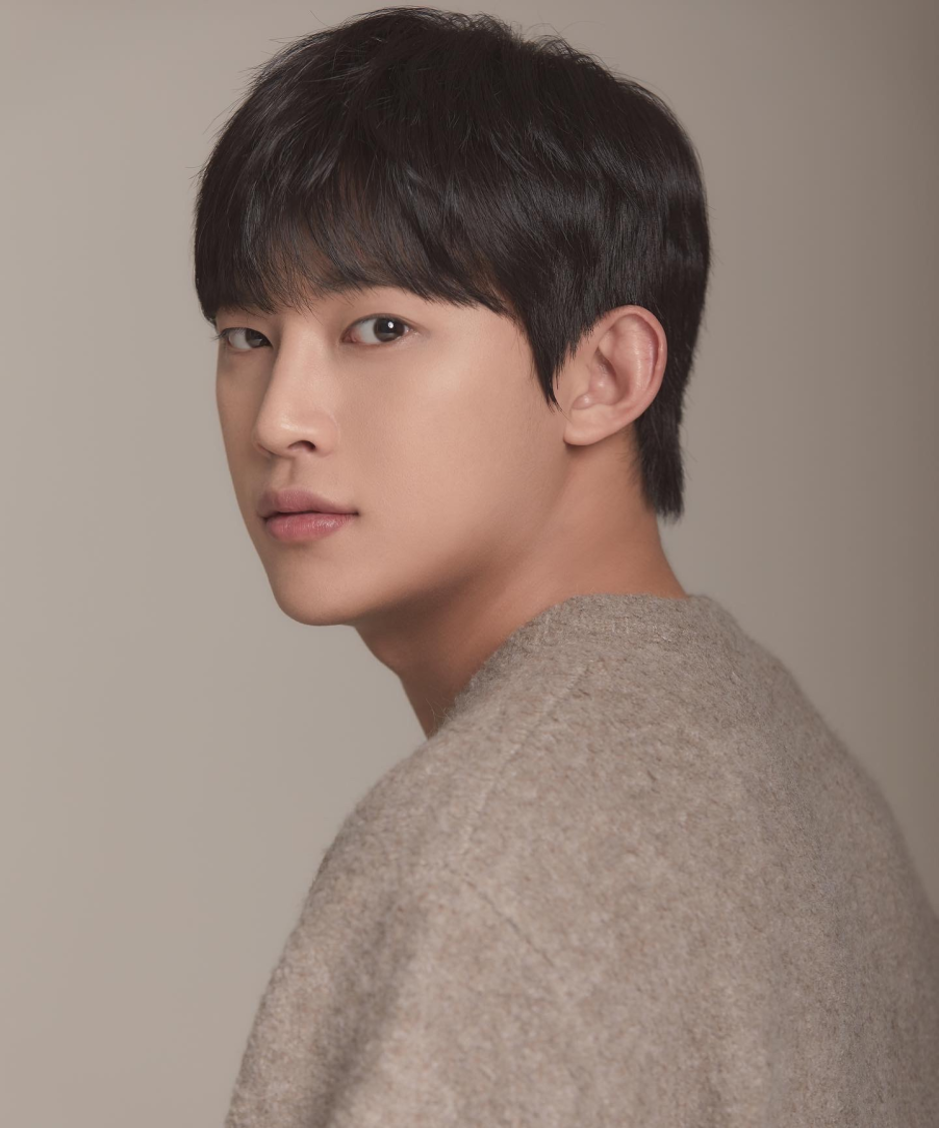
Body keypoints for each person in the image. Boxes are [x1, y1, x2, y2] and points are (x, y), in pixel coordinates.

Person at [192, 7, 939, 1125]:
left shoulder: (476, 858)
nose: (278, 419)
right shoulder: (803, 784)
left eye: (379, 328)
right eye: (247, 336)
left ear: (606, 374)